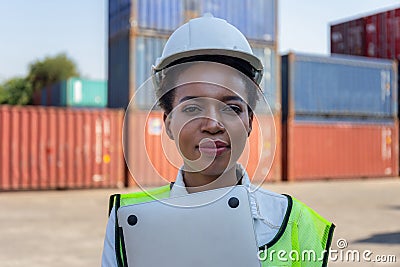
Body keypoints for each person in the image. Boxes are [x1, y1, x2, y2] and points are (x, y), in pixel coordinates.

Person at [102, 14, 335, 267]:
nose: (213, 125)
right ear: (168, 124)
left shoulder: (295, 222)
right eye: (192, 109)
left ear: (249, 122)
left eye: (232, 108)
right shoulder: (126, 221)